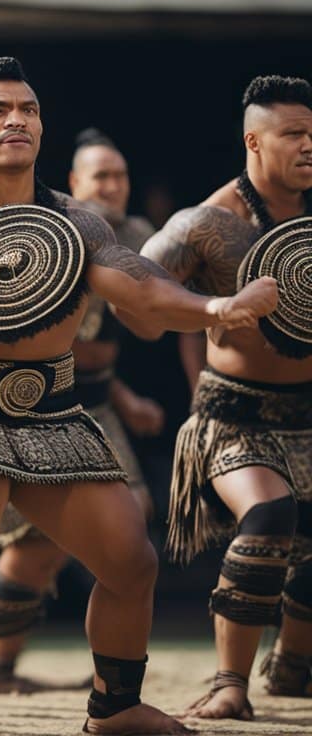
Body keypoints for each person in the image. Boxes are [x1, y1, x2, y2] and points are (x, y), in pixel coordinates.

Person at [0, 55, 277, 736]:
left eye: (29, 110)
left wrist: (219, 310)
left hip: (54, 411)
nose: (17, 120)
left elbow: (142, 287)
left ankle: (116, 706)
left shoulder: (79, 221)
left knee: (132, 556)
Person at [143, 75, 312, 718]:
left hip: (308, 412)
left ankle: (292, 667)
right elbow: (139, 295)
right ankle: (228, 684)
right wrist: (220, 306)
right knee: (269, 516)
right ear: (253, 141)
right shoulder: (210, 223)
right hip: (235, 418)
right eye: (293, 134)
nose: (308, 146)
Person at [0, 128, 164, 694]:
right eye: (101, 177)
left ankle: (113, 674)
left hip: (99, 402)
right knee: (35, 542)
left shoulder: (136, 235)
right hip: (33, 400)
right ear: (75, 185)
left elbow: (148, 325)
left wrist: (126, 397)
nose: (114, 186)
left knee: (133, 521)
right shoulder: (52, 228)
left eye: (120, 176)